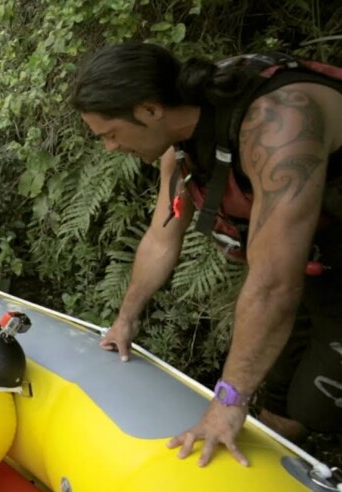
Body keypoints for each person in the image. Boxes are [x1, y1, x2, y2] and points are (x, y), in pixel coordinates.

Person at [71, 42, 342, 467]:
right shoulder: (180, 143)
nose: (108, 148)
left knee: (310, 405)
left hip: (301, 272)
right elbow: (161, 239)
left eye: (109, 134)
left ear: (149, 110)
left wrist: (228, 402)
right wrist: (125, 320)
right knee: (277, 390)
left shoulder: (278, 125)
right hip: (314, 266)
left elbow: (273, 284)